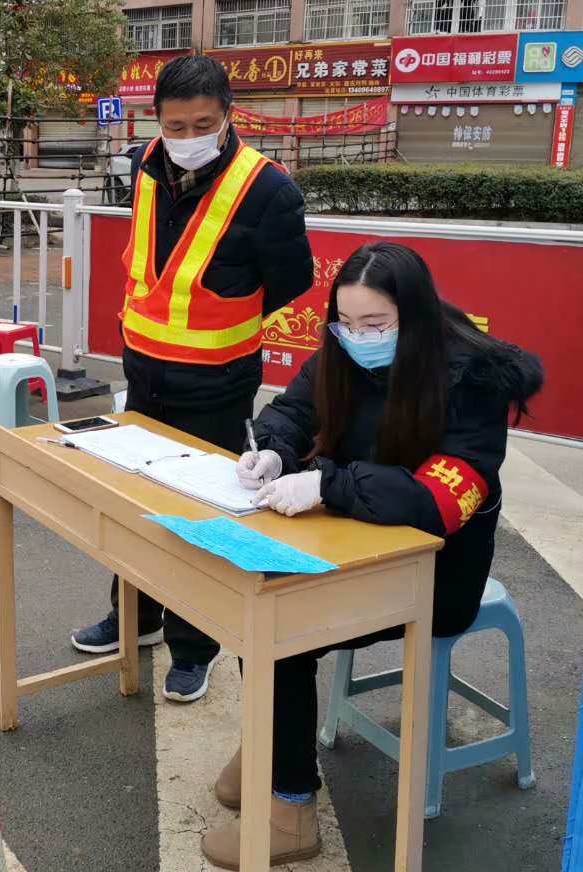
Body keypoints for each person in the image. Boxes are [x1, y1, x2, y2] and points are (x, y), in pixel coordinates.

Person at [200, 241, 543, 869]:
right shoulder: (343, 350)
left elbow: (437, 504)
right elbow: (293, 409)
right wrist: (273, 450)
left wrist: (329, 483)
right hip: (357, 542)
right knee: (259, 604)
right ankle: (277, 746)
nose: (358, 338)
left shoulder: (474, 379)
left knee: (285, 629)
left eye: (375, 324)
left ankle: (290, 808)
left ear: (415, 315)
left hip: (437, 573)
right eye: (346, 323)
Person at [72, 54, 314, 702]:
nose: (188, 137)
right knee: (136, 502)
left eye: (202, 124)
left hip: (217, 383)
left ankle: (194, 646)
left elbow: (291, 279)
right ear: (157, 120)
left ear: (228, 115)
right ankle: (133, 617)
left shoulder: (268, 189)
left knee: (200, 517)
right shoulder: (146, 167)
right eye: (175, 125)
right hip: (143, 373)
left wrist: (223, 308)